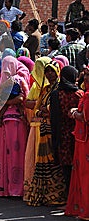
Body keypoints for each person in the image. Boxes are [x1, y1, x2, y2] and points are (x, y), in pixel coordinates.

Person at [24, 61, 67, 206]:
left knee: (53, 162)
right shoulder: (45, 89)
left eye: (52, 71)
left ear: (58, 72)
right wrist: (41, 111)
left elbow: (56, 108)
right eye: (47, 72)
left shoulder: (60, 89)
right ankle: (45, 195)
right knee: (42, 164)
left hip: (52, 129)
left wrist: (45, 110)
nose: (49, 74)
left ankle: (56, 196)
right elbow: (36, 108)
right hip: (43, 129)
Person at [0, 56, 29, 197]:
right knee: (9, 153)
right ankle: (9, 187)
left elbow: (21, 98)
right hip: (10, 121)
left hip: (11, 121)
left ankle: (12, 187)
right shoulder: (11, 81)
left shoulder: (16, 80)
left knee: (12, 153)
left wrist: (5, 103)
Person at [23, 57, 52, 201]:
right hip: (36, 126)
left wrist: (41, 107)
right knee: (34, 158)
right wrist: (38, 106)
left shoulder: (53, 88)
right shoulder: (36, 87)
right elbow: (27, 103)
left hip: (46, 127)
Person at [50, 66, 81, 192]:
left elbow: (54, 119)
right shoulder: (80, 94)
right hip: (79, 136)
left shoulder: (56, 94)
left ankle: (69, 197)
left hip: (62, 136)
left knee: (66, 168)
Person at [65, 66, 89, 219]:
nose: (85, 79)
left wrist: (74, 113)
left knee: (85, 174)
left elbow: (86, 117)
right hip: (81, 139)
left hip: (86, 141)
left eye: (88, 76)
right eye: (85, 75)